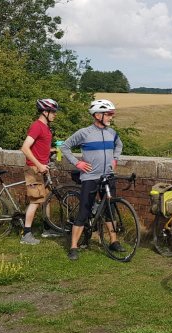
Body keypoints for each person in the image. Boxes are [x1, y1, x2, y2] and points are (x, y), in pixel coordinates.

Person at [60, 99, 124, 261]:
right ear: (97, 115)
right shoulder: (84, 133)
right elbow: (65, 147)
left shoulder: (112, 133)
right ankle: (73, 246)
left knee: (110, 210)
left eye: (111, 114)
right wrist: (77, 162)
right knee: (84, 211)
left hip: (108, 177)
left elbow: (119, 145)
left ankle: (114, 241)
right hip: (90, 177)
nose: (111, 117)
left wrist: (115, 158)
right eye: (108, 114)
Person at [19, 98, 61, 245]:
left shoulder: (46, 127)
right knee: (36, 201)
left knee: (47, 198)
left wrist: (52, 151)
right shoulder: (37, 126)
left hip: (41, 168)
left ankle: (47, 227)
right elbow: (25, 148)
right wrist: (39, 165)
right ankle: (26, 234)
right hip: (34, 169)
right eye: (53, 112)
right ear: (45, 111)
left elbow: (39, 147)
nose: (55, 114)